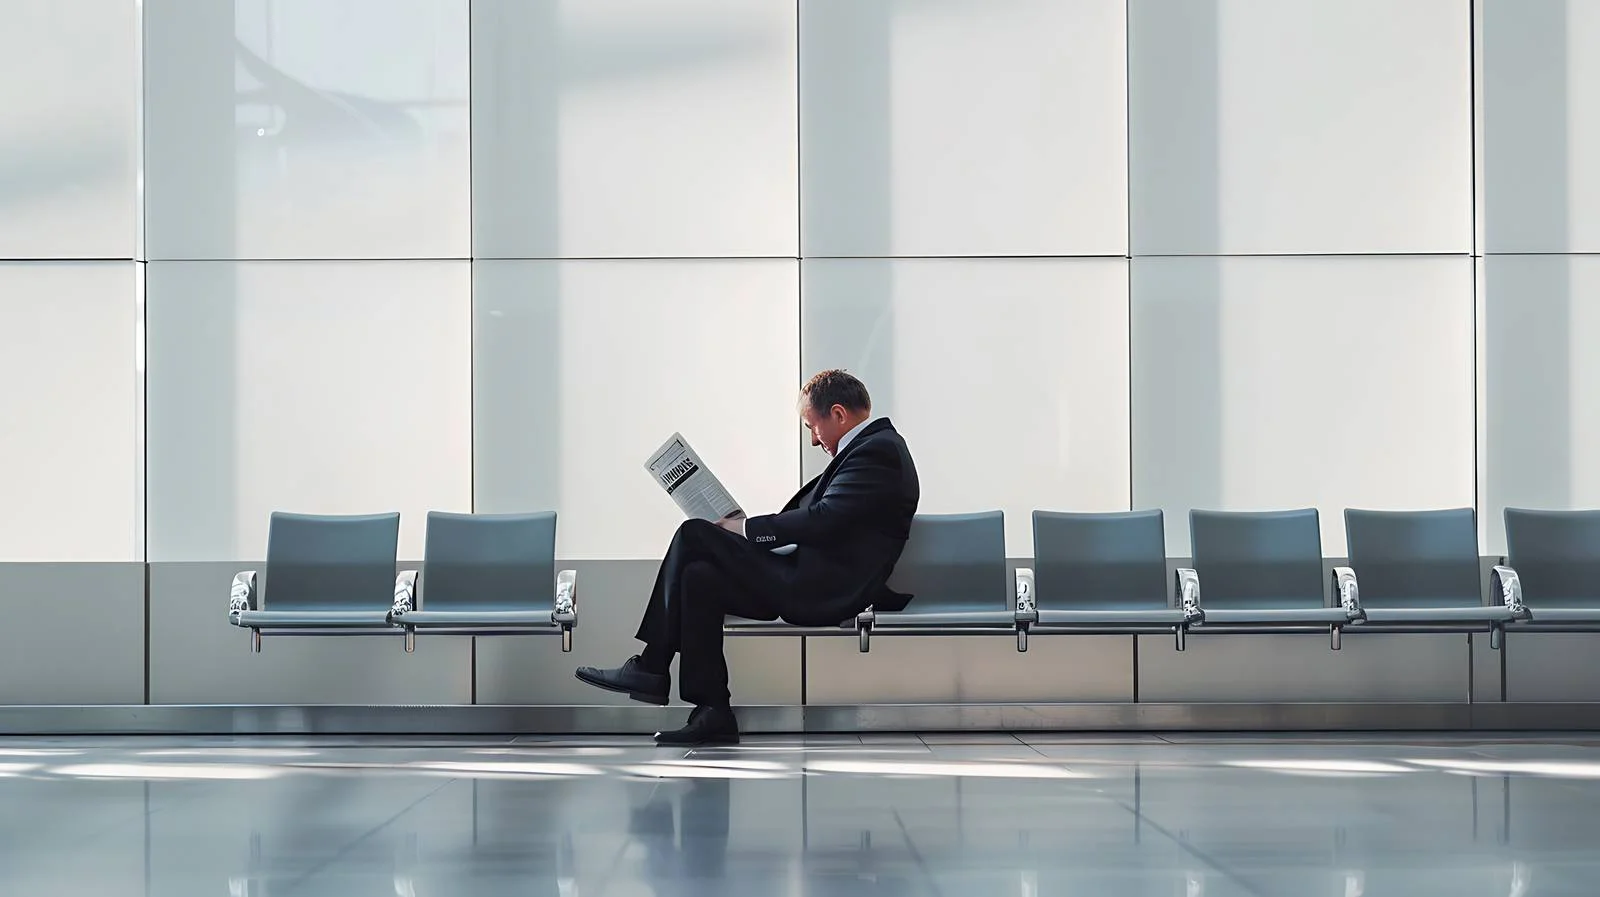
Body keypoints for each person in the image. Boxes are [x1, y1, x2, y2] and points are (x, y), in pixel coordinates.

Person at [575, 370, 920, 745]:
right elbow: (833, 523)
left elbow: (824, 519)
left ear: (837, 414)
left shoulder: (879, 451)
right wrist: (748, 532)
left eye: (812, 426)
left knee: (695, 534)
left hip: (825, 587)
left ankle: (651, 665)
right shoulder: (870, 450)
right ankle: (712, 712)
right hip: (809, 574)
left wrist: (745, 529)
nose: (812, 439)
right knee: (700, 578)